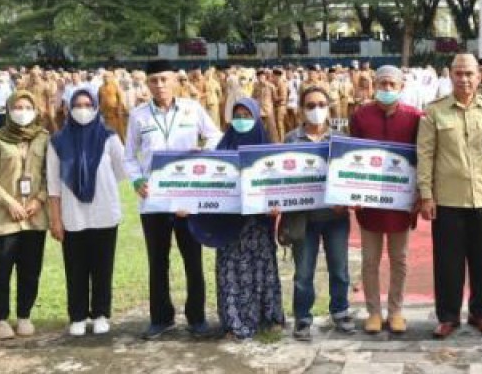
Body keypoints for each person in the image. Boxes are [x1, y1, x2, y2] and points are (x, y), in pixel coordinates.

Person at [123, 59, 222, 340]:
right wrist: (136, 180)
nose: (159, 85)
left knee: (193, 259)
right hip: (153, 201)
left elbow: (215, 135)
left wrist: (201, 154)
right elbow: (129, 156)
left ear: (175, 81)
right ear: (147, 84)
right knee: (158, 261)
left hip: (187, 199)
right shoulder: (138, 115)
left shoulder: (192, 109)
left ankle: (197, 317)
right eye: (153, 80)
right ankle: (161, 318)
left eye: (164, 79)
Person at [417, 52, 482, 339]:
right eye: (459, 73)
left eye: (470, 73)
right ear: (450, 75)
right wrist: (427, 195)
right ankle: (448, 316)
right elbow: (425, 154)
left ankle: (481, 313)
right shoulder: (435, 111)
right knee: (447, 261)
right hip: (448, 199)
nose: (465, 79)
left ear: (480, 75)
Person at [189, 97, 284, 340]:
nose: (242, 121)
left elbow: (278, 187)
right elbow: (207, 185)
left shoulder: (268, 151)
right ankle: (234, 322)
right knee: (231, 272)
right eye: (237, 116)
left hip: (258, 225)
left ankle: (269, 317)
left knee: (262, 270)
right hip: (228, 225)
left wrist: (276, 205)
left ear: (256, 118)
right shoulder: (222, 150)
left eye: (247, 115)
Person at [348, 66, 423, 335]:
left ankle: (396, 311)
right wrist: (352, 192)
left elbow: (421, 158)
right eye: (382, 84)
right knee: (370, 260)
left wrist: (420, 193)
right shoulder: (360, 116)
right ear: (374, 86)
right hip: (370, 204)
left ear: (401, 87)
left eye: (392, 84)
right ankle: (374, 312)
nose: (387, 89)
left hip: (400, 203)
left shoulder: (415, 117)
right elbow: (351, 156)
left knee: (399, 259)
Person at [47, 89, 127, 336]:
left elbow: (120, 170)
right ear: (69, 108)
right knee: (75, 267)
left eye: (87, 104)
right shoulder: (57, 141)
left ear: (95, 107)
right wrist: (56, 219)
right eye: (77, 104)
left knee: (103, 267)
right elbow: (52, 184)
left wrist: (97, 182)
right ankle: (78, 315)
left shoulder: (109, 137)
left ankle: (101, 313)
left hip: (104, 211)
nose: (83, 109)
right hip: (73, 214)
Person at [284, 85, 354, 341]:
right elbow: (283, 178)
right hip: (303, 218)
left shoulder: (340, 138)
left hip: (335, 217)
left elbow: (349, 177)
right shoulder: (292, 139)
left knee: (339, 269)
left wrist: (345, 200)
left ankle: (341, 312)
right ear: (302, 110)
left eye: (321, 105)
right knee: (303, 273)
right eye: (310, 105)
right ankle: (302, 319)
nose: (316, 110)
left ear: (329, 108)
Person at [0, 90, 50, 339]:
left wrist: (39, 200)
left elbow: (49, 174)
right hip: (3, 218)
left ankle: (24, 316)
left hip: (34, 217)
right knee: (1, 270)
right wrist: (9, 202)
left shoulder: (44, 138)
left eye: (27, 107)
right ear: (9, 110)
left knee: (30, 269)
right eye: (17, 107)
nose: (22, 112)